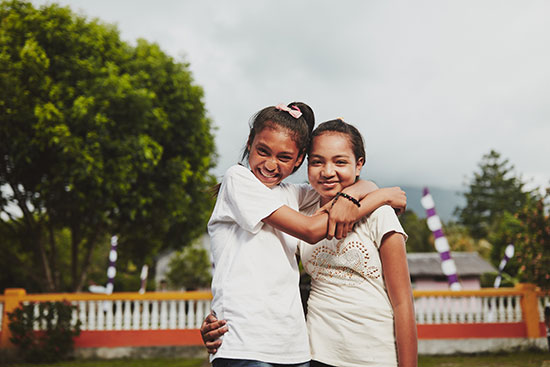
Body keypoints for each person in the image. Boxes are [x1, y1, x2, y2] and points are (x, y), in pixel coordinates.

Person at [206, 103, 407, 367]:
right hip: (245, 342)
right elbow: (311, 231)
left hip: (294, 347)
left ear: (299, 159)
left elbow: (348, 187)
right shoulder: (238, 179)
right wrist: (381, 196)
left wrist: (372, 192)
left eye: (284, 157)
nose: (270, 164)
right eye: (262, 151)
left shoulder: (293, 195)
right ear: (249, 143)